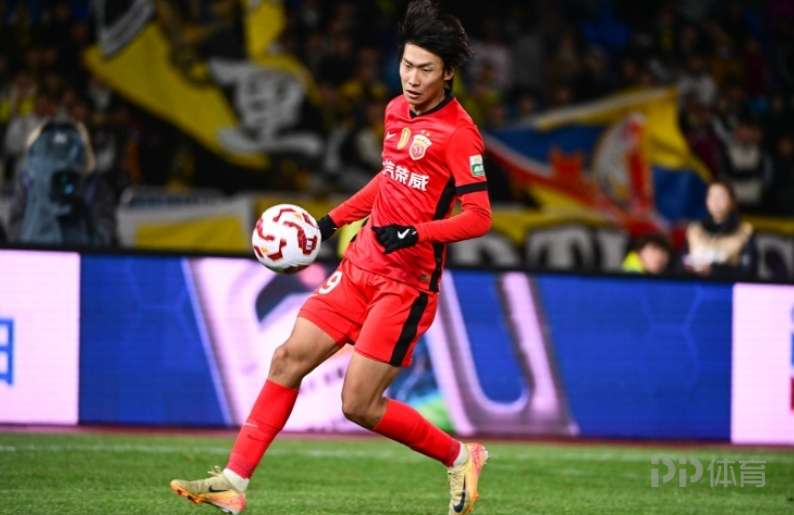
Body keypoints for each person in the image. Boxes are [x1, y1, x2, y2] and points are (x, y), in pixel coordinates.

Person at [170, 2, 492, 514]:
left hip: (405, 287)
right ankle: (233, 482)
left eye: (425, 69)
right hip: (359, 266)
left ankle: (460, 456)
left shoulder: (459, 135)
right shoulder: (395, 110)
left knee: (358, 404)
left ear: (448, 72)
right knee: (287, 359)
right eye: (406, 65)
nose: (412, 79)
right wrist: (330, 222)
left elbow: (478, 216)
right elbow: (389, 180)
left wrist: (417, 233)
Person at [683, 180, 756, 278]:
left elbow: (749, 271)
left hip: (728, 285)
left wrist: (714, 270)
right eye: (711, 196)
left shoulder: (745, 231)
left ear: (732, 201)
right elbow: (681, 263)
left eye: (721, 196)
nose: (715, 201)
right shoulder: (694, 230)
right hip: (696, 284)